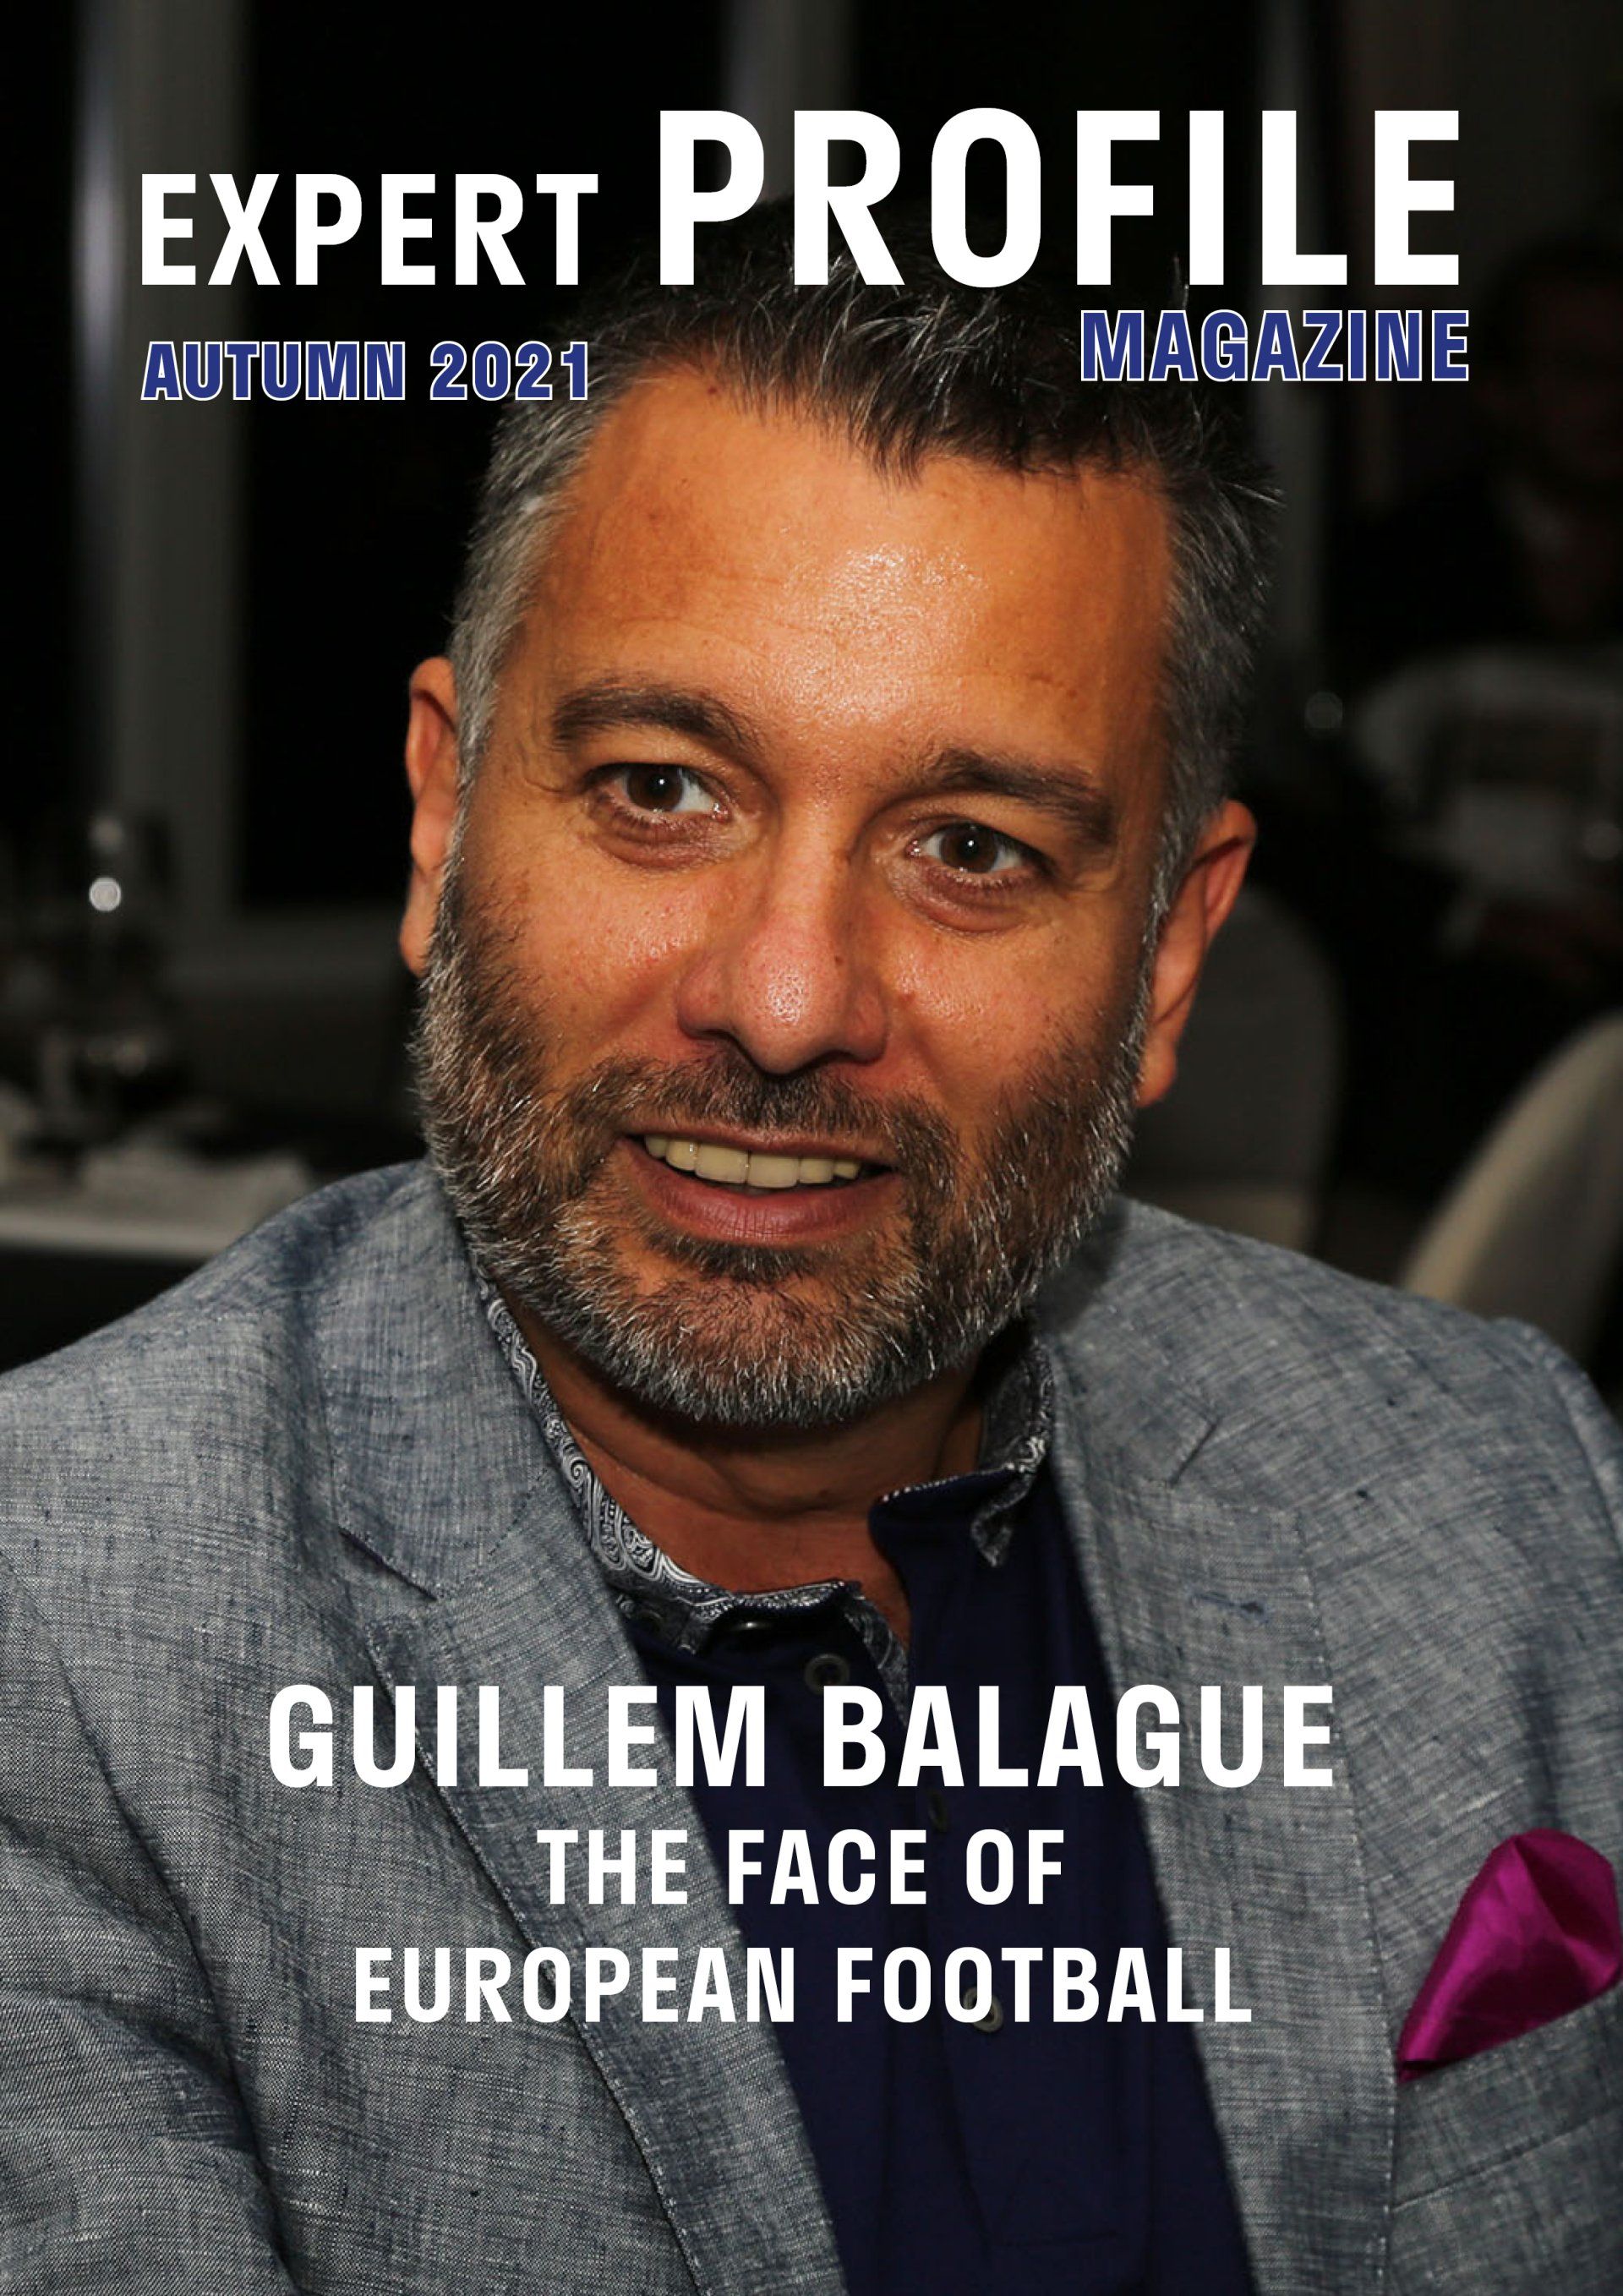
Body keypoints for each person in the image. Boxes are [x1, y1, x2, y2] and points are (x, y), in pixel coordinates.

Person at [2, 215, 1619, 2295]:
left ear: (1167, 953)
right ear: (441, 816)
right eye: (662, 788)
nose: (782, 1001)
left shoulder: (1505, 1482)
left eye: (971, 848)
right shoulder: (66, 1633)